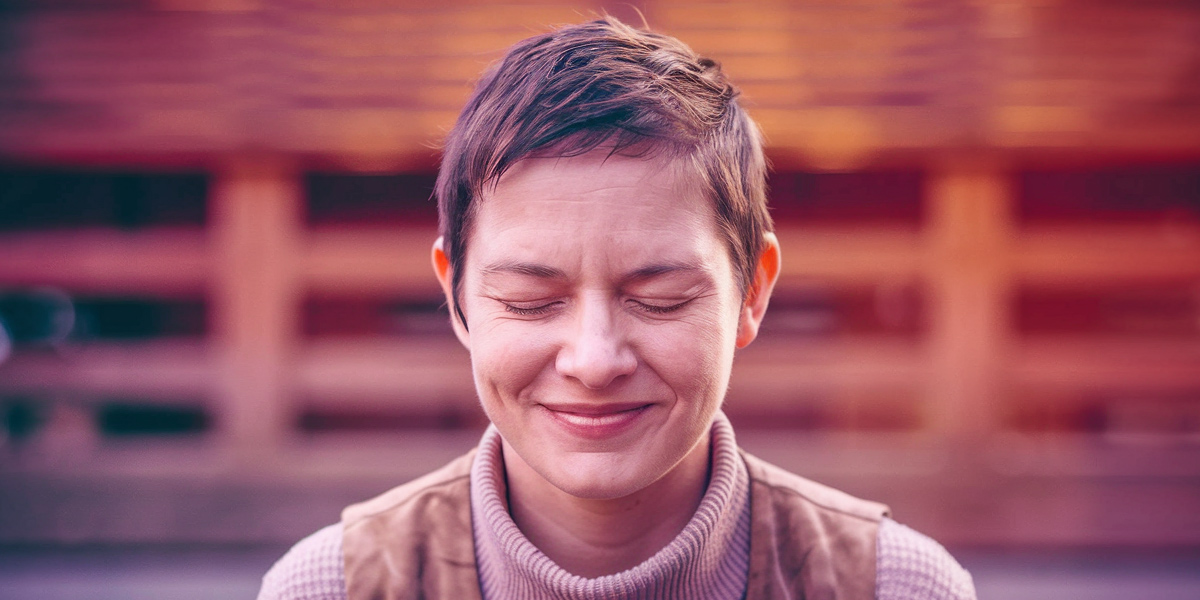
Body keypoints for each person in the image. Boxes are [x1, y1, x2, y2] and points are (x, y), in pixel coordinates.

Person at [259, 16, 976, 600]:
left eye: (659, 301)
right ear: (457, 295)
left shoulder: (895, 587)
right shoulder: (334, 587)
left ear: (752, 290)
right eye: (530, 302)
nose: (595, 360)